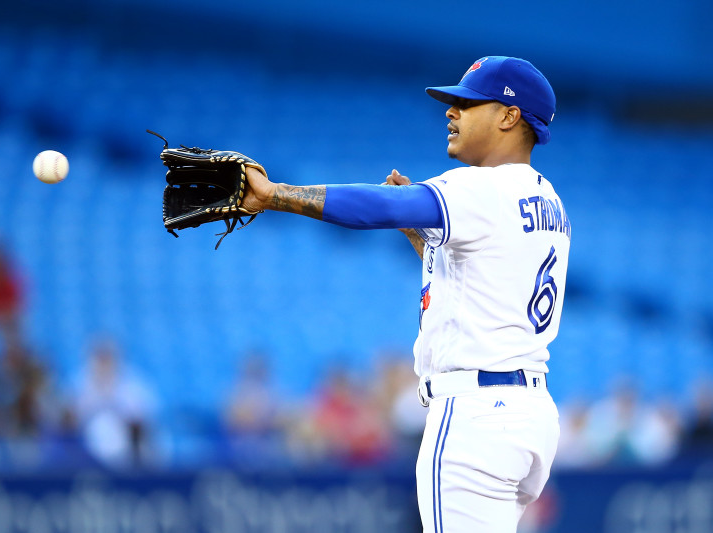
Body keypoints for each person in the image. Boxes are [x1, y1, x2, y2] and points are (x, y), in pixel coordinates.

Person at [242, 56, 569, 532]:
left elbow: (378, 205)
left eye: (468, 102)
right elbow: (480, 281)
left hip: (474, 414)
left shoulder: (482, 188)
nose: (451, 112)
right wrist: (419, 237)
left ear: (509, 116)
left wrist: (274, 194)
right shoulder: (548, 200)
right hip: (529, 414)